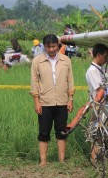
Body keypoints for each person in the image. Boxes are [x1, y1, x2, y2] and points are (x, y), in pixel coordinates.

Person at [30, 34, 75, 166]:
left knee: (61, 132)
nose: (51, 49)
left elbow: (70, 81)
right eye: (49, 47)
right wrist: (36, 102)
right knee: (44, 132)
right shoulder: (37, 61)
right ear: (44, 46)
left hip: (62, 101)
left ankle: (61, 161)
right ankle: (43, 161)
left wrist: (70, 99)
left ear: (58, 46)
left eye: (54, 46)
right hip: (45, 102)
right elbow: (34, 82)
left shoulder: (66, 61)